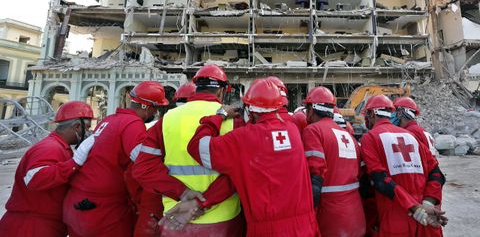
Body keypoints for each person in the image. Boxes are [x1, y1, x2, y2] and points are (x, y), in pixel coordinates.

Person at [182, 78, 319, 236]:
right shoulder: (293, 130)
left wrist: (219, 115)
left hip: (269, 231)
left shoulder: (243, 138)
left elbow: (197, 147)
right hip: (306, 226)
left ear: (250, 110)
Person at [132, 64, 244, 236]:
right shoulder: (233, 120)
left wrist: (183, 193)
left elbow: (143, 169)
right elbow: (240, 173)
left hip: (175, 217)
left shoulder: (168, 119)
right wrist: (202, 202)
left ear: (196, 88)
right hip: (223, 218)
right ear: (221, 92)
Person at [63, 81, 170, 237]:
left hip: (78, 202)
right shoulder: (133, 125)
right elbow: (145, 165)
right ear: (149, 107)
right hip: (103, 210)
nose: (155, 114)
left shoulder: (108, 119)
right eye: (156, 109)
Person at [0, 101, 94, 237]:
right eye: (88, 128)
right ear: (77, 126)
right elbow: (34, 178)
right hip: (30, 227)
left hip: (43, 225)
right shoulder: (50, 148)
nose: (89, 133)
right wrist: (74, 163)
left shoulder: (61, 147)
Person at [360, 95, 447, 237]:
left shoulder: (370, 138)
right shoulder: (411, 136)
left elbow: (380, 180)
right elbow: (437, 174)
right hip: (425, 218)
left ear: (372, 113)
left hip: (396, 217)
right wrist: (427, 203)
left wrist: (415, 207)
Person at [302, 87, 366, 236]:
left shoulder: (313, 131)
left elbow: (315, 174)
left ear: (312, 109)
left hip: (331, 217)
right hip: (356, 216)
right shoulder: (347, 135)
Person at [392, 96, 445, 237]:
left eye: (394, 111)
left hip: (424, 188)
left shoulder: (411, 133)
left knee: (425, 226)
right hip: (432, 187)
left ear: (401, 113)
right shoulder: (422, 130)